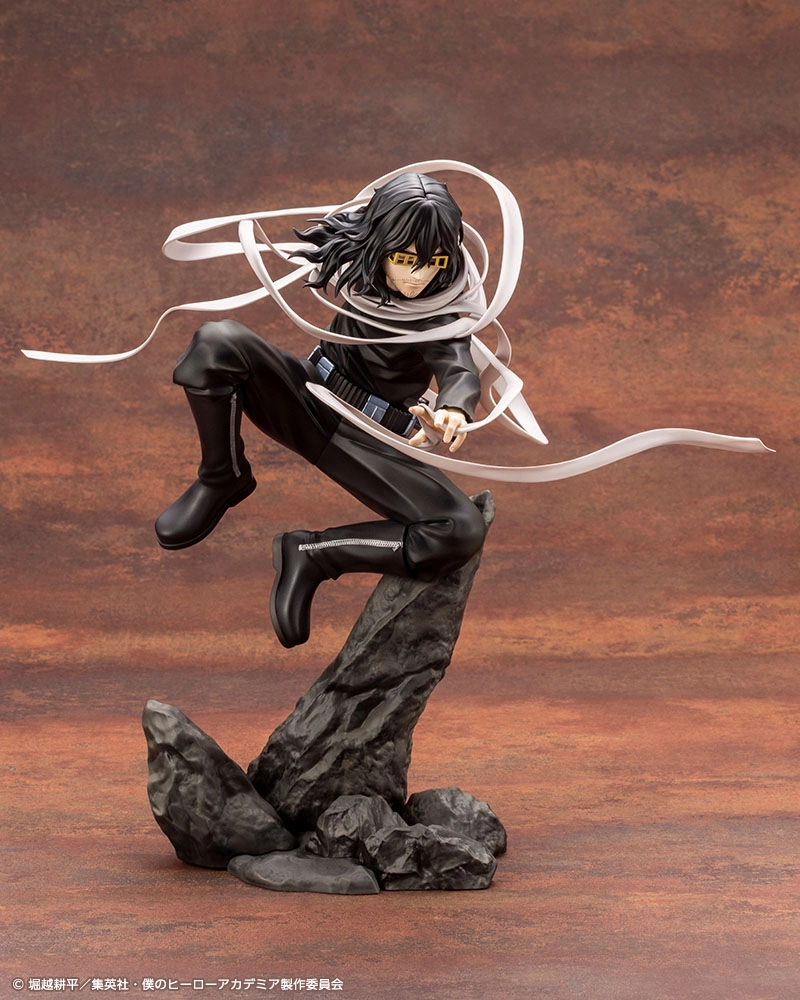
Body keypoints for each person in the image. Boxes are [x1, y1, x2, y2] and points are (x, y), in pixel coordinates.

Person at [154, 172, 491, 648]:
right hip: (309, 393)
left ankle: (314, 553)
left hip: (368, 438)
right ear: (380, 244)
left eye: (433, 262)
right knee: (216, 342)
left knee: (458, 531)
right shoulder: (360, 263)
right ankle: (222, 476)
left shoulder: (439, 317)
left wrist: (456, 408)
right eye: (404, 258)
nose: (418, 276)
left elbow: (459, 366)